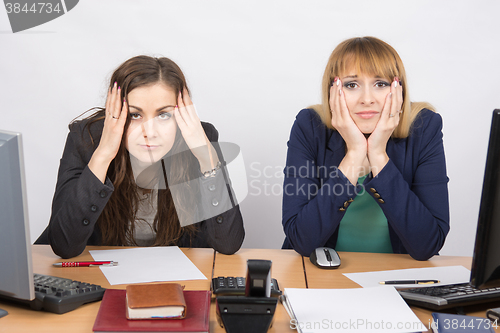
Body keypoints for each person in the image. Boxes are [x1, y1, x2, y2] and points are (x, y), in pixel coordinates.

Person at [36, 55, 244, 258]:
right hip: (98, 280)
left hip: (170, 281)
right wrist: (103, 154)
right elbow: (65, 246)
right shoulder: (87, 140)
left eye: (164, 115)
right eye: (135, 115)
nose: (149, 132)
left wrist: (207, 158)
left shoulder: (199, 140)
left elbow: (227, 243)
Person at [281, 37, 449, 261]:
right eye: (352, 85)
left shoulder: (424, 127)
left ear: (398, 89)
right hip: (322, 277)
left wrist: (378, 154)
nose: (367, 99)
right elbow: (302, 240)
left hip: (399, 277)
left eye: (380, 84)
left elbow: (427, 244)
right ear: (333, 90)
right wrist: (354, 153)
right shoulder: (310, 126)